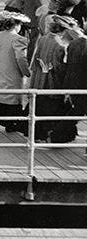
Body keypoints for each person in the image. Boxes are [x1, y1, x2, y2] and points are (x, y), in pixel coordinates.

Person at [30, 15, 79, 143]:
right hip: (52, 83)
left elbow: (35, 60)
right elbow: (60, 68)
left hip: (39, 80)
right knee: (52, 110)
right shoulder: (61, 46)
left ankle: (37, 133)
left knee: (39, 108)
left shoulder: (43, 39)